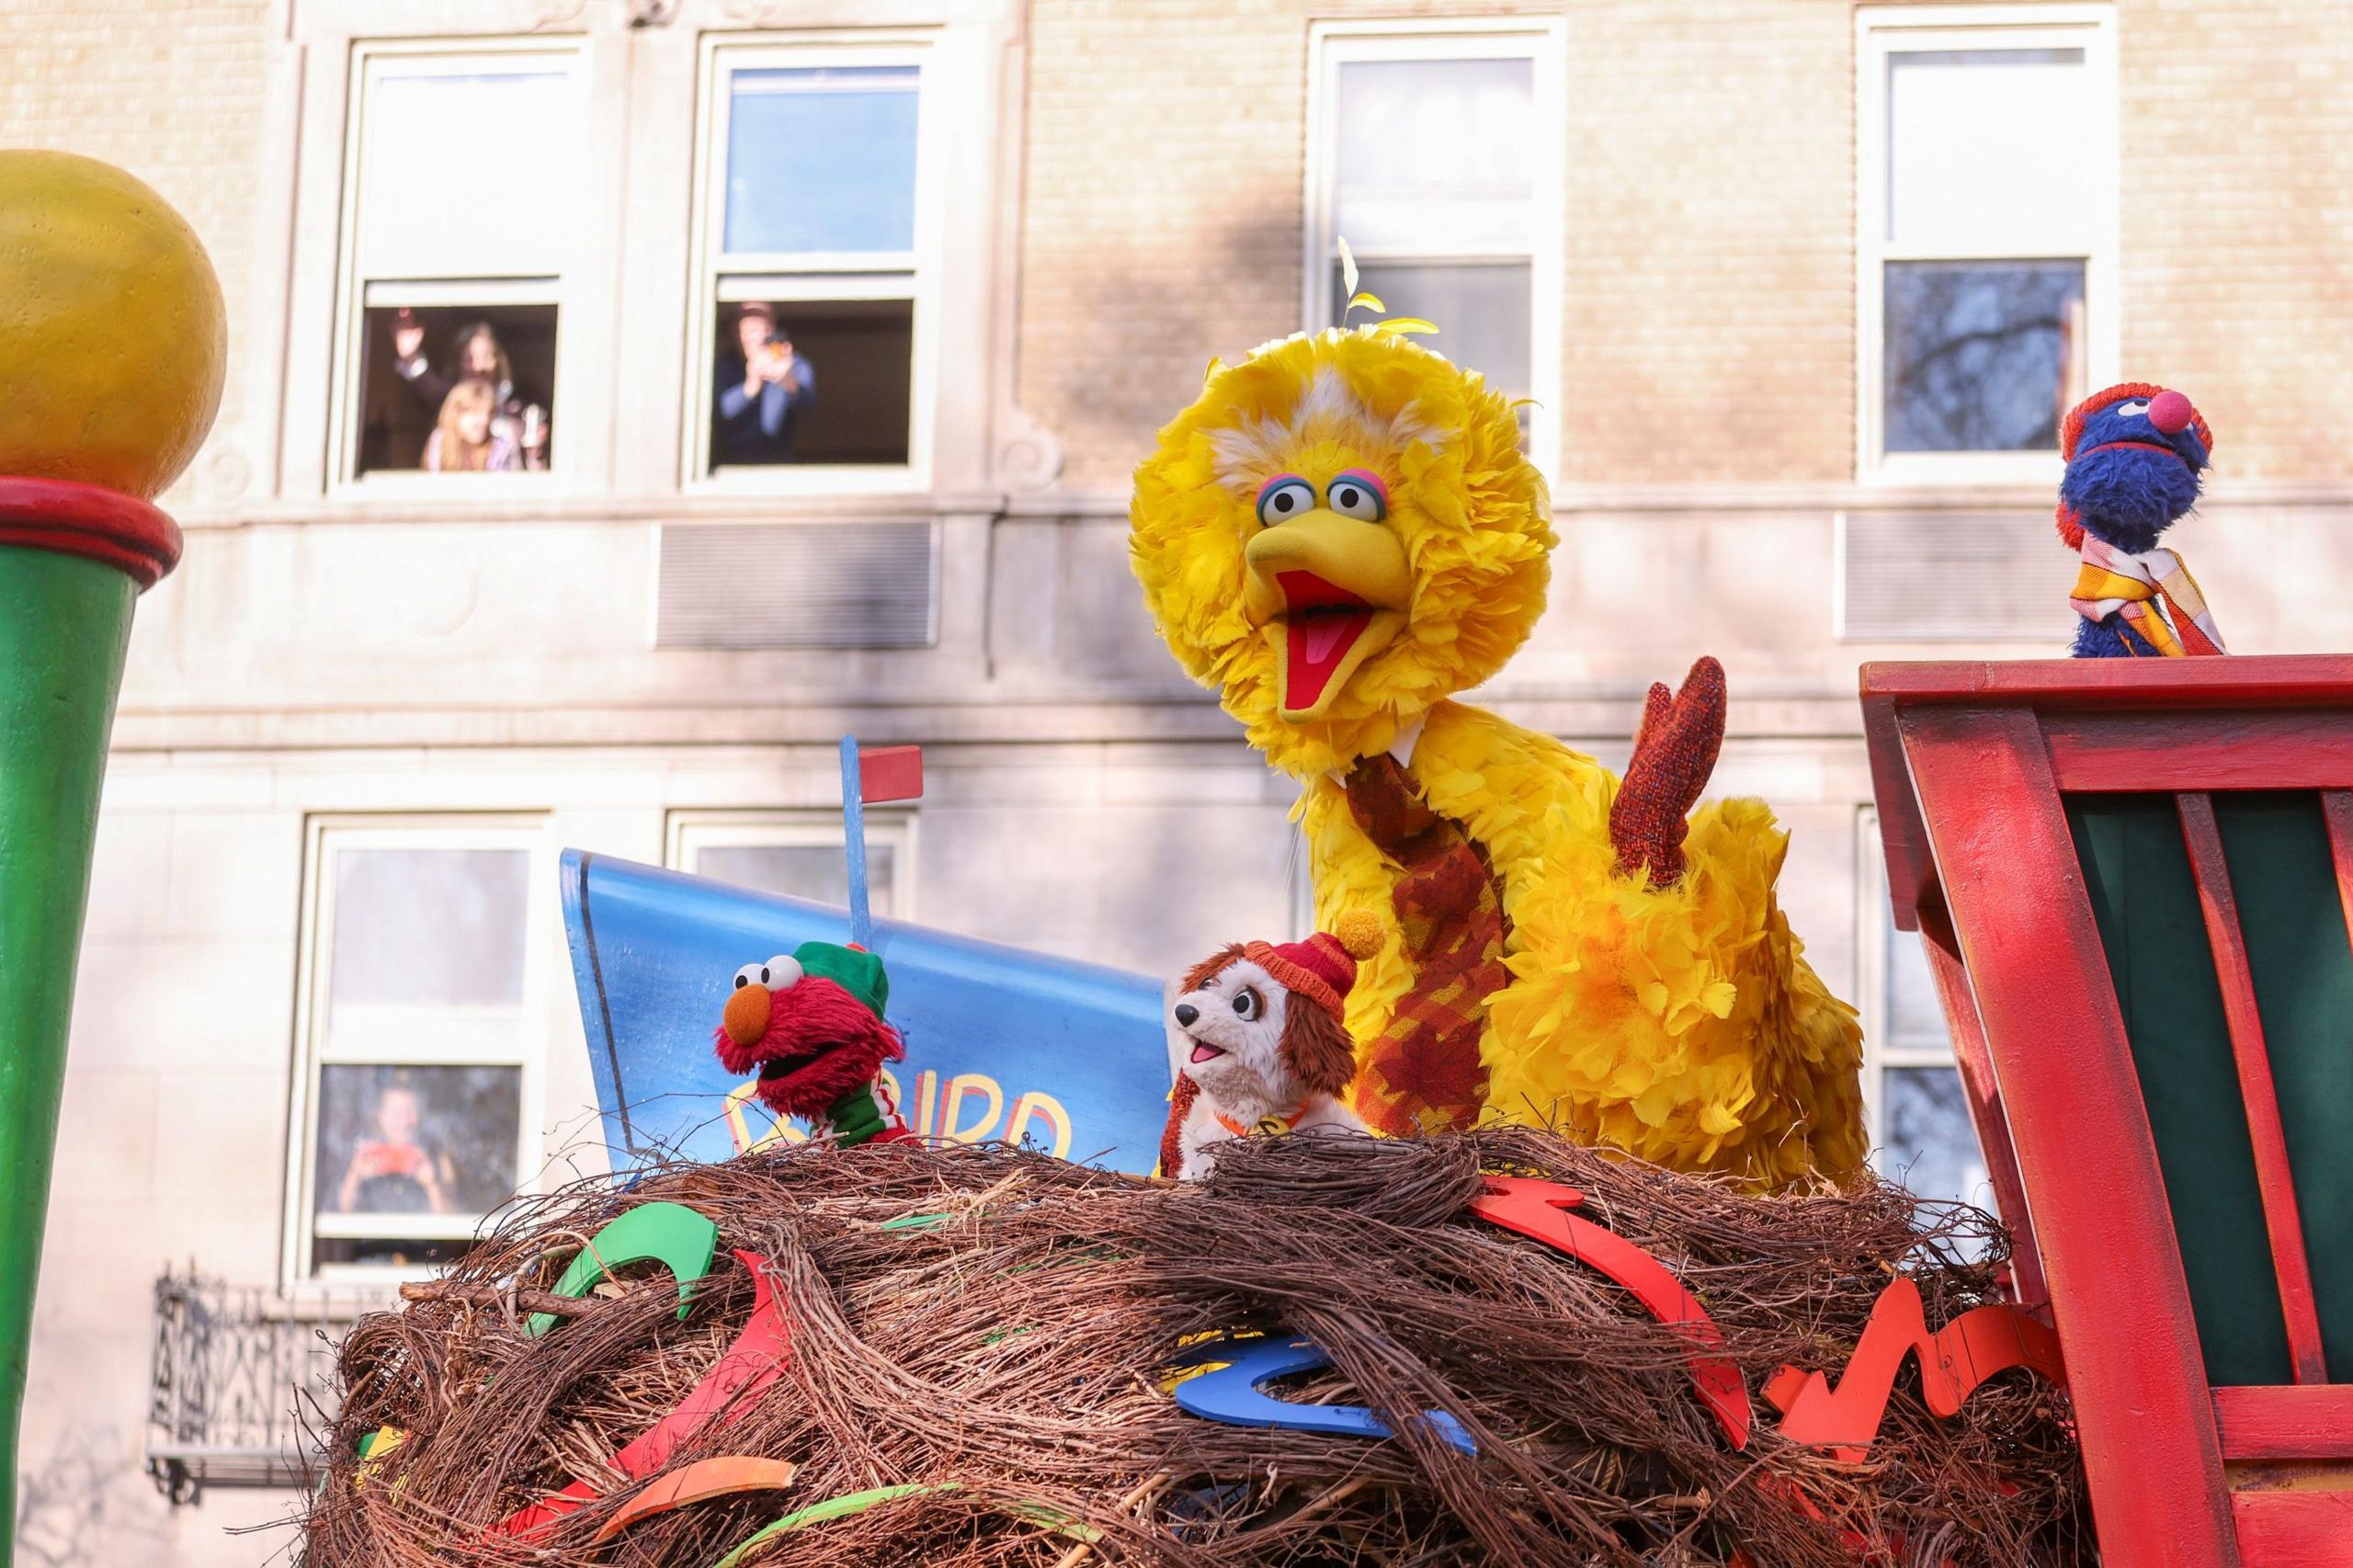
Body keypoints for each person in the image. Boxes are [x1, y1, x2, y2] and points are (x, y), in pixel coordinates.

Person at [390, 312, 549, 470]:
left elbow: (536, 474)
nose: (479, 367)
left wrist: (536, 453)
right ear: (457, 363)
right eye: (469, 358)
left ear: (499, 361)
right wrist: (410, 357)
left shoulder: (517, 410)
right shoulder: (449, 402)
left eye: (487, 356)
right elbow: (427, 383)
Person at [712, 301, 817, 464]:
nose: (758, 338)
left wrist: (787, 380)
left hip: (779, 462)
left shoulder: (793, 364)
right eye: (750, 330)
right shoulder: (724, 366)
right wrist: (750, 388)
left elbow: (809, 405)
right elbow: (716, 413)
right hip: (731, 463)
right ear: (735, 334)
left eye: (765, 329)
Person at [334, 1075, 454, 1215]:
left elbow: (450, 1219)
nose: (403, 1121)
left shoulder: (436, 1157)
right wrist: (355, 1176)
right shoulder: (363, 1155)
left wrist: (432, 1185)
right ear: (380, 1116)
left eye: (410, 1111)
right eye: (395, 1112)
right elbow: (340, 1212)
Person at [424, 378, 522, 472]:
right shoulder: (440, 441)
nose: (484, 421)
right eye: (476, 412)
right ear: (456, 414)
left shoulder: (498, 446)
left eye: (489, 413)